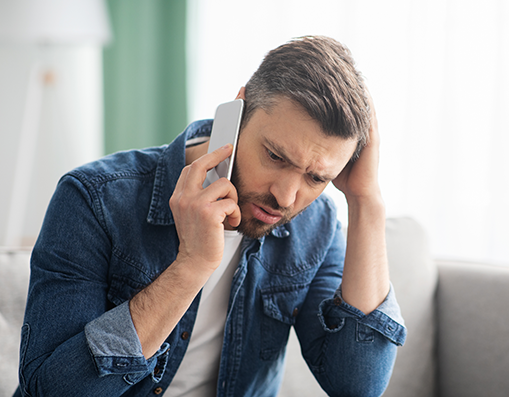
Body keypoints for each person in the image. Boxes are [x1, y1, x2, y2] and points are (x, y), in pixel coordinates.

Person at [14, 36, 406, 397]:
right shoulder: (94, 199)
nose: (285, 197)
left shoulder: (315, 225)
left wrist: (366, 201)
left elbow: (358, 384)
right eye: (274, 156)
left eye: (317, 177)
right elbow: (51, 389)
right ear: (237, 112)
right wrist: (191, 267)